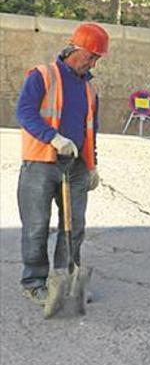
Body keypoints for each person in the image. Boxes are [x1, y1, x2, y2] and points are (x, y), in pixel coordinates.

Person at [16, 22, 108, 305]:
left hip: (76, 167)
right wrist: (52, 137)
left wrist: (92, 165)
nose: (93, 62)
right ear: (74, 49)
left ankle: (66, 281)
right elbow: (24, 112)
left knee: (74, 226)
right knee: (36, 226)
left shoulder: (90, 89)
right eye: (90, 56)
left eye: (97, 58)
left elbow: (91, 129)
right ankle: (34, 283)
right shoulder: (43, 75)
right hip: (42, 162)